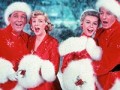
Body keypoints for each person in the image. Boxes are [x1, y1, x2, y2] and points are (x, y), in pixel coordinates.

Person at [16, 10, 62, 90]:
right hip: (31, 86)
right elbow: (22, 62)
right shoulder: (29, 40)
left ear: (46, 24)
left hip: (48, 86)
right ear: (31, 25)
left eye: (40, 21)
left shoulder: (53, 43)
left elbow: (53, 70)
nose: (36, 24)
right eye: (34, 21)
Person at [59, 9, 102, 90]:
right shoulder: (74, 44)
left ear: (98, 26)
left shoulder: (100, 45)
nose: (91, 26)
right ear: (82, 24)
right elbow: (65, 68)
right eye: (88, 22)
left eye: (95, 23)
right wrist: (78, 81)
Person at [0, 1, 31, 90]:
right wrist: (5, 72)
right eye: (15, 16)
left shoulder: (28, 38)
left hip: (23, 86)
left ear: (26, 21)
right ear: (9, 18)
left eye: (23, 17)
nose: (19, 19)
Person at [93, 0, 120, 89]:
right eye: (101, 13)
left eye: (108, 13)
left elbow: (106, 62)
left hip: (114, 83)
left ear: (115, 14)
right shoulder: (99, 32)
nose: (104, 17)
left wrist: (85, 68)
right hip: (98, 82)